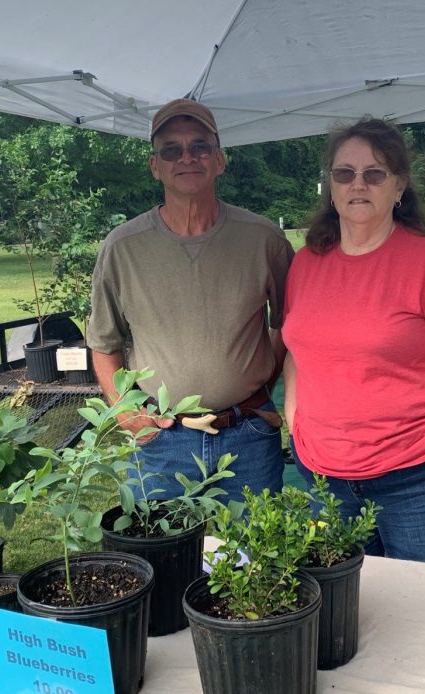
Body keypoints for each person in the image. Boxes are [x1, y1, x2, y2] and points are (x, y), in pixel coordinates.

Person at [282, 117, 425, 567]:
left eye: (374, 174)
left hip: (416, 478)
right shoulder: (305, 264)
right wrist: (295, 421)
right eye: (345, 173)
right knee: (341, 600)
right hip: (323, 476)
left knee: (421, 601)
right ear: (331, 185)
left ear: (399, 187)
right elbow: (297, 351)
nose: (358, 184)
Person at [87, 98, 294, 502]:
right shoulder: (123, 247)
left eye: (200, 146)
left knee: (254, 543)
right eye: (172, 150)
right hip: (162, 439)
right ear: (155, 166)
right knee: (160, 541)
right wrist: (126, 412)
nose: (187, 157)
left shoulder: (263, 239)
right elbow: (103, 344)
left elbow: (288, 323)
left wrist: (260, 385)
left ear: (219, 160)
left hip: (248, 434)